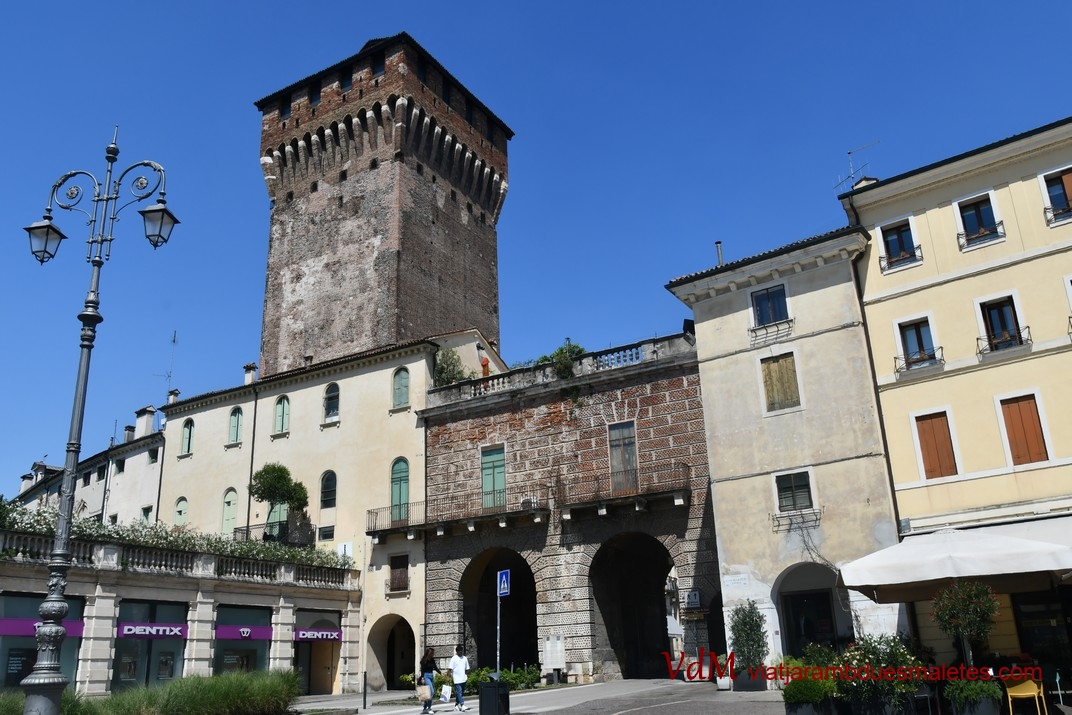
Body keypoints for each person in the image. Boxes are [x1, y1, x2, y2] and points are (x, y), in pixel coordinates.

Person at [419, 647, 441, 714]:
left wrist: (440, 673)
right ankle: (429, 708)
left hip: (431, 676)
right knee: (431, 692)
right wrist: (422, 678)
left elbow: (435, 667)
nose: (433, 654)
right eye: (432, 653)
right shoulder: (424, 661)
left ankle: (425, 708)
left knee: (428, 694)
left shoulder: (432, 660)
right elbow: (422, 670)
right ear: (429, 653)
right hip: (426, 676)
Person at [448, 645, 470, 712]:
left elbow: (467, 668)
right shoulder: (454, 658)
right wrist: (448, 677)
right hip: (457, 679)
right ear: (457, 652)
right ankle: (462, 705)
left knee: (460, 693)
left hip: (463, 678)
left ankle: (456, 705)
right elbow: (450, 669)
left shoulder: (465, 658)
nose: (461, 653)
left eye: (461, 651)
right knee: (459, 692)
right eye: (459, 651)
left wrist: (466, 675)